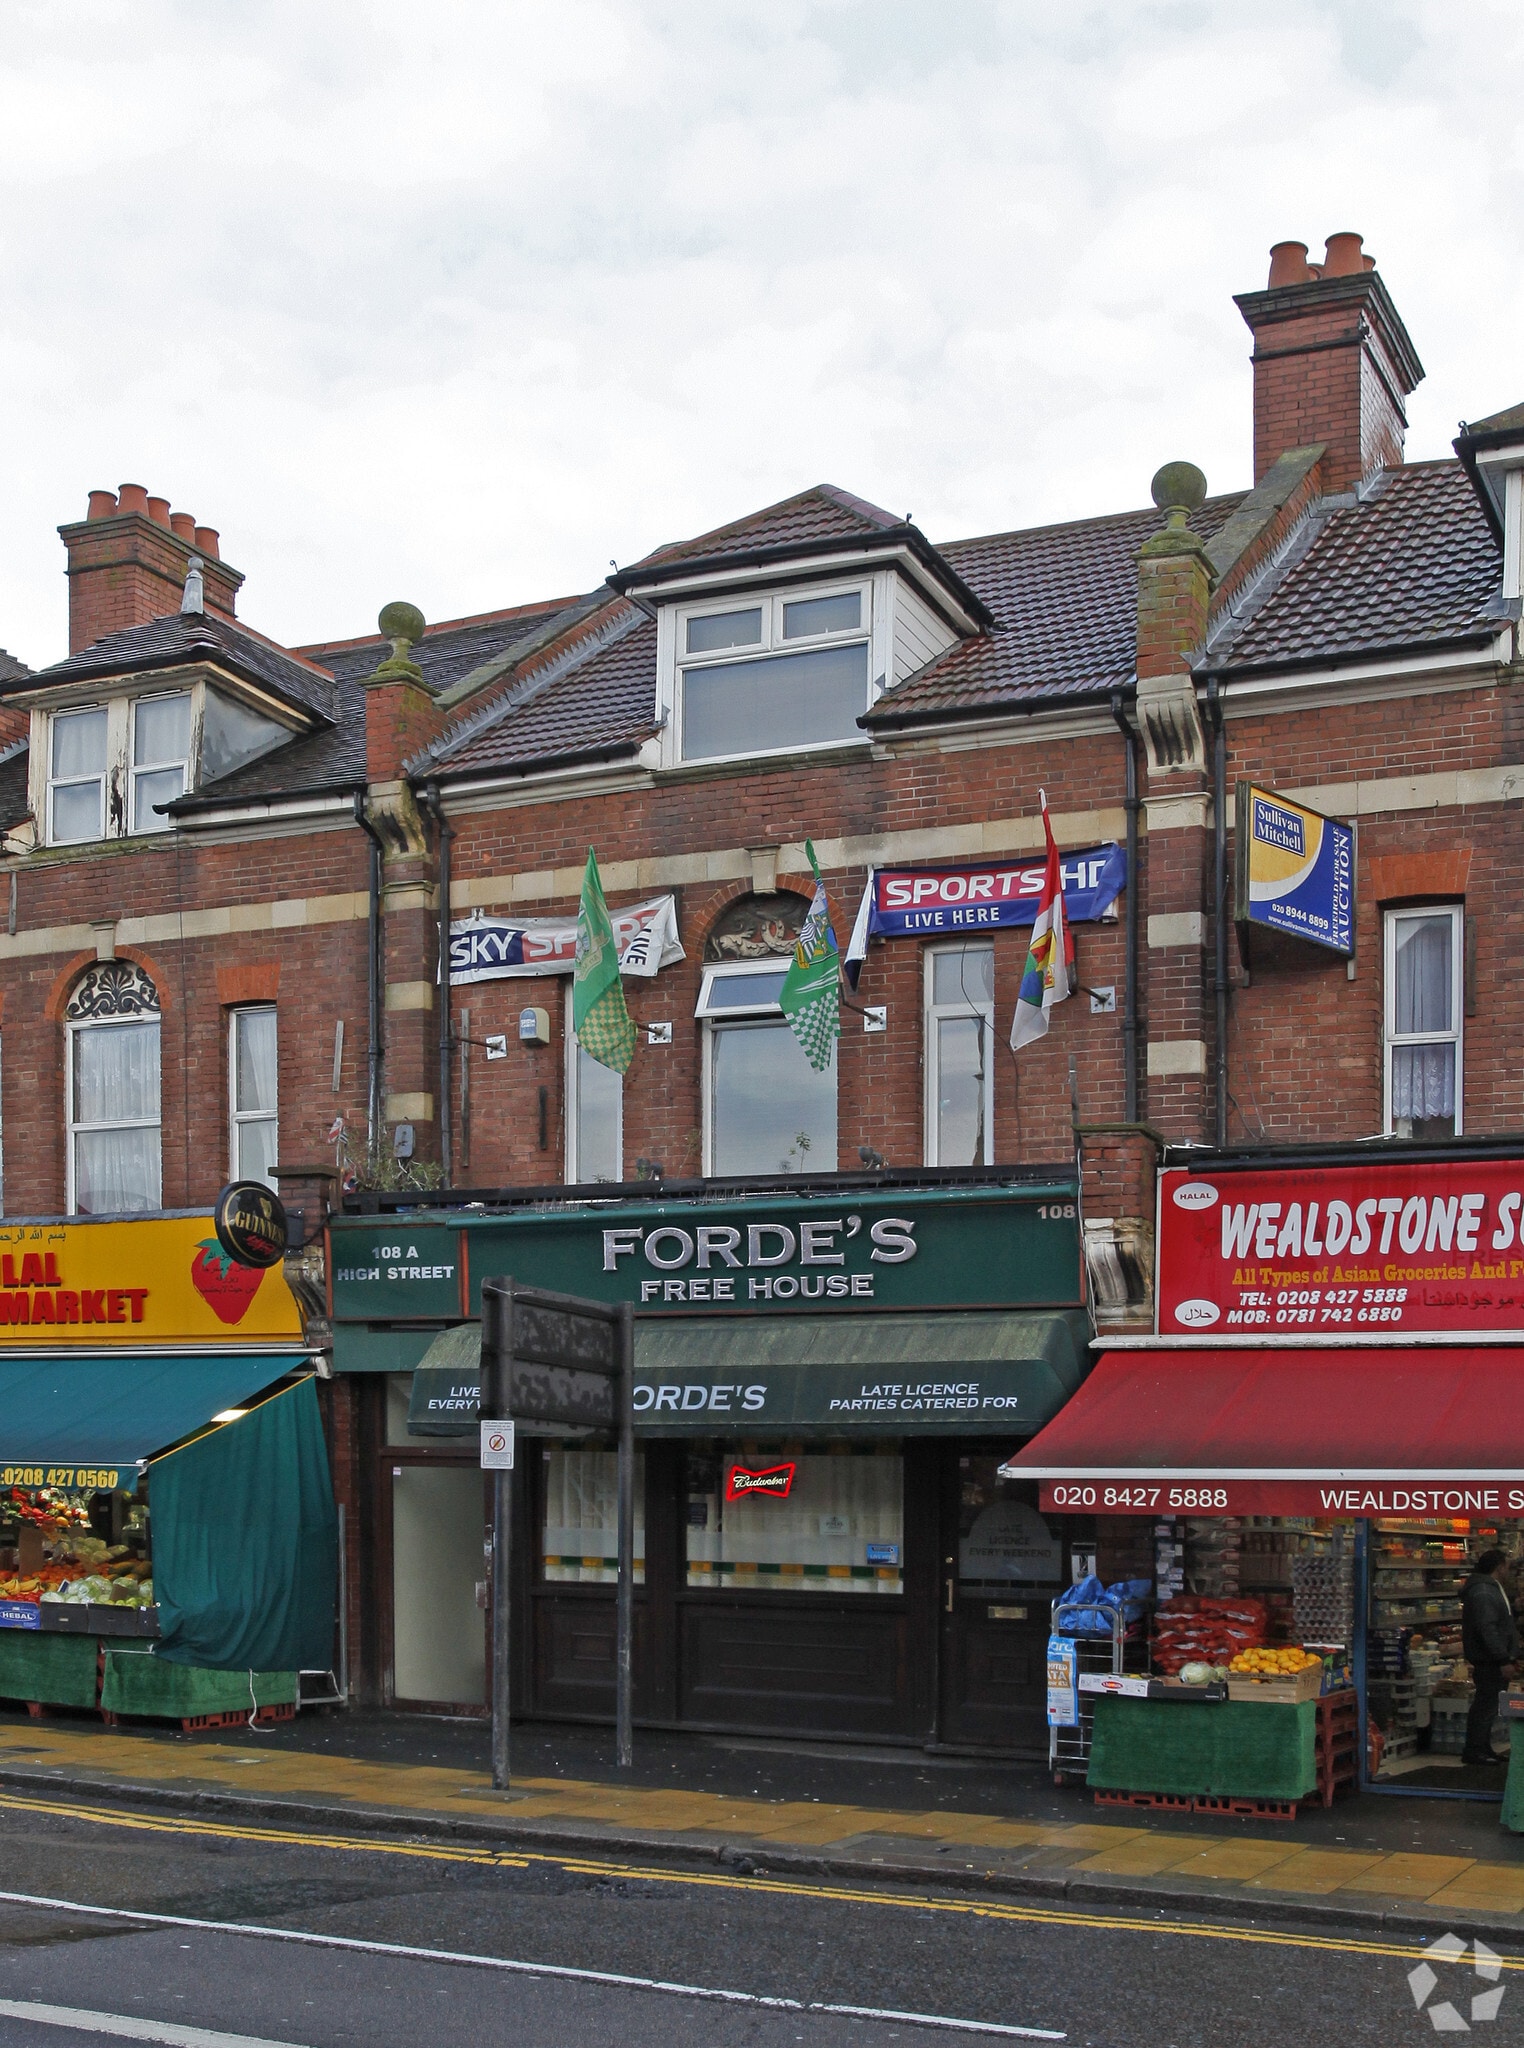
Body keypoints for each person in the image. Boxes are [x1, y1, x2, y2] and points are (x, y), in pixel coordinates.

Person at [1461, 1549, 1519, 1766]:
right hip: (1489, 1660)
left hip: (1491, 1658)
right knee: (1485, 1705)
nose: (1509, 1570)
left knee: (1488, 1704)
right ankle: (1475, 1750)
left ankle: (1482, 1747)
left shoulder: (1489, 1589)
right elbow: (1487, 1628)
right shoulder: (1484, 1592)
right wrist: (1502, 1658)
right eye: (1507, 1565)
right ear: (1499, 1566)